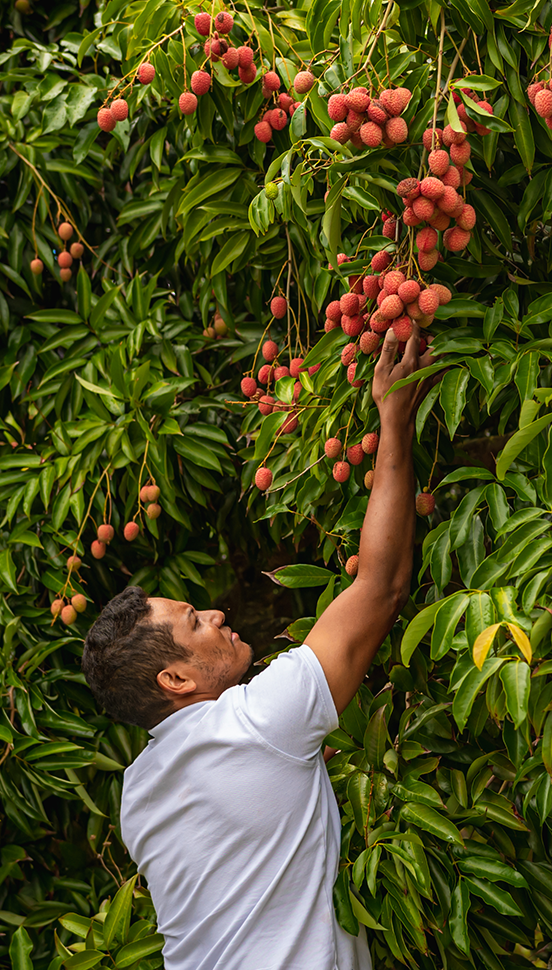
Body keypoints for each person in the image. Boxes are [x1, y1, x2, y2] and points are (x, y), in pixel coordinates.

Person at [81, 325, 436, 970]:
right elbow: (382, 586)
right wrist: (394, 419)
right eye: (195, 622)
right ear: (176, 681)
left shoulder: (138, 796)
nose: (217, 614)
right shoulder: (260, 722)